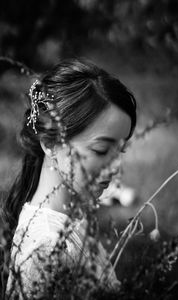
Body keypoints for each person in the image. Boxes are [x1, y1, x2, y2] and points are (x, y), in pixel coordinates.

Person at [4, 58, 137, 299]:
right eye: (101, 150)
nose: (116, 168)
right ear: (50, 143)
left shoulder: (73, 218)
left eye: (121, 151)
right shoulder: (46, 249)